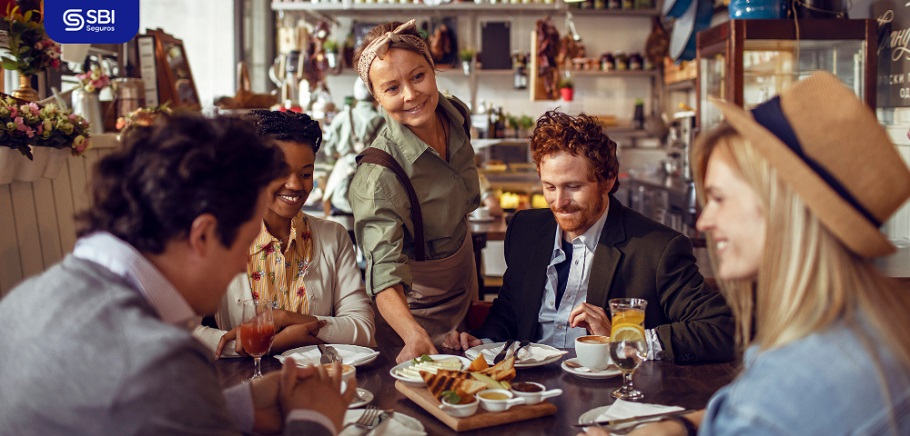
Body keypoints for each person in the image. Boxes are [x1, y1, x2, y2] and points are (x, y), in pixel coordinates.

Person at [586, 72, 910, 435]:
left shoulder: (788, 391)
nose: (705, 221)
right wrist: (680, 426)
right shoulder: (864, 332)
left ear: (784, 209)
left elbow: (768, 410)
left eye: (720, 199)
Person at [0, 114, 354, 435]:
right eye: (244, 245)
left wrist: (241, 403)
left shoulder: (24, 299)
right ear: (202, 235)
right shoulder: (162, 362)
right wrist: (315, 421)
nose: (238, 268)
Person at [444, 110, 734, 364]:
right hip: (528, 389)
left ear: (608, 180)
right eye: (549, 187)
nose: (559, 202)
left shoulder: (657, 249)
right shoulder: (525, 229)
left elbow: (720, 329)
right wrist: (484, 342)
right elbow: (509, 311)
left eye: (573, 186)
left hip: (607, 395)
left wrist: (622, 339)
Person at [193, 110, 375, 357]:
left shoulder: (334, 236)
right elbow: (187, 332)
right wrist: (276, 342)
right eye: (280, 172)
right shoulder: (220, 239)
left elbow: (363, 330)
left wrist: (288, 318)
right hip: (243, 387)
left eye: (306, 174)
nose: (295, 185)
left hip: (320, 386)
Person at [351, 20, 482, 363]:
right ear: (376, 96)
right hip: (416, 316)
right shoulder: (379, 175)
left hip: (466, 289)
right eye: (392, 88)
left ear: (433, 70)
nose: (411, 94)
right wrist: (413, 334)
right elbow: (384, 272)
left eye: (418, 76)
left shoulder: (456, 115)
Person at [322, 78, 386, 216]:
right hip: (373, 187)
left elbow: (329, 150)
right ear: (375, 97)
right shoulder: (384, 122)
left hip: (342, 192)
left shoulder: (342, 117)